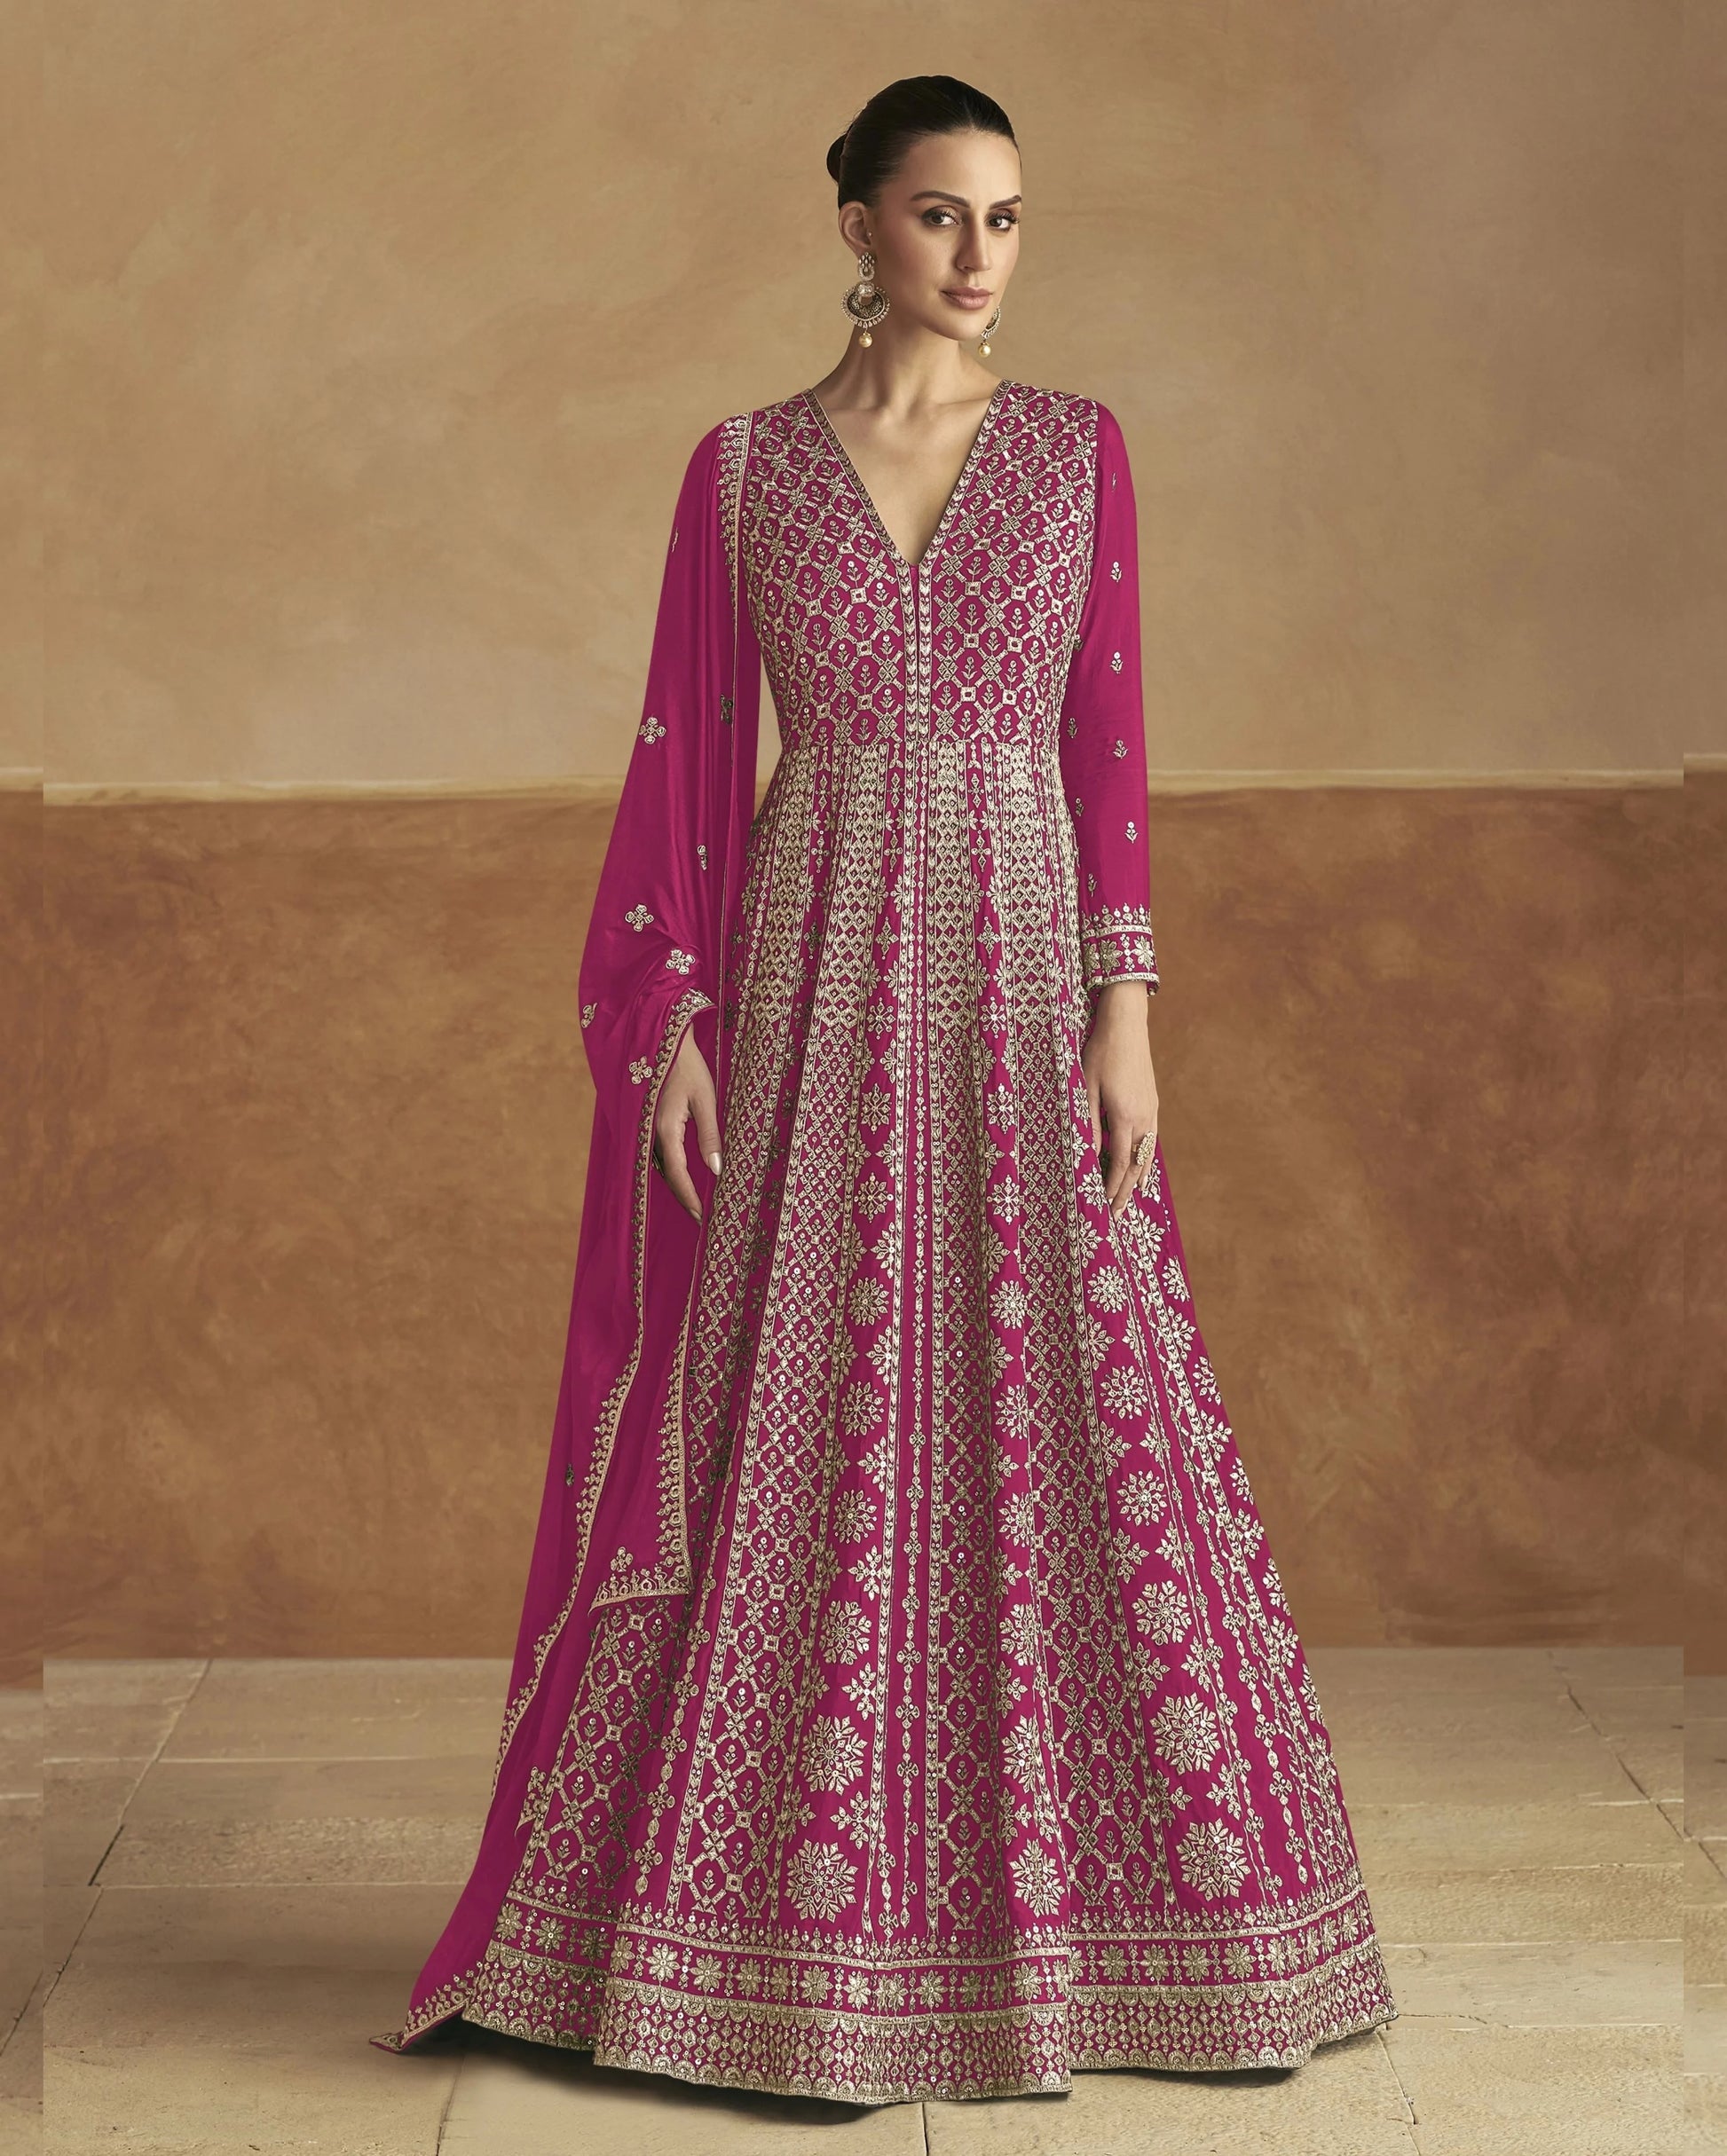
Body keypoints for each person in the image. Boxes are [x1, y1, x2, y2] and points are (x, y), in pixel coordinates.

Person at [376, 74, 1397, 2103]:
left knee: (1073, 1383)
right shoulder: (745, 471)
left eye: (1007, 220)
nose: (977, 256)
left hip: (1025, 950)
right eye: (938, 216)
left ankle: (1147, 1927)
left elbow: (1107, 751)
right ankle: (754, 1940)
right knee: (800, 1388)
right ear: (852, 224)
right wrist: (670, 1019)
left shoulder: (1077, 455)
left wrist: (1130, 1006)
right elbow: (680, 759)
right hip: (814, 949)